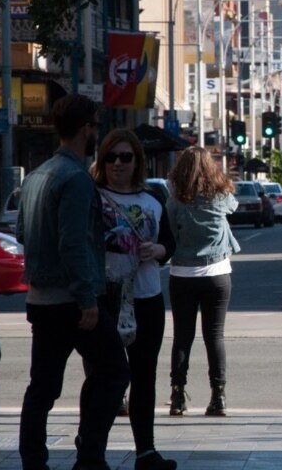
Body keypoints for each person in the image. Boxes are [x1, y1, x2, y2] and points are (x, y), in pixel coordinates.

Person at [17, 95, 130, 470]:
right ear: (87, 129)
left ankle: (34, 460)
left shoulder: (36, 176)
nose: (97, 133)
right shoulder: (75, 178)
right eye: (96, 126)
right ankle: (91, 455)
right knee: (115, 370)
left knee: (43, 387)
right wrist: (87, 299)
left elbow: (22, 232)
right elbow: (73, 242)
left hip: (41, 298)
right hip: (71, 299)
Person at [91, 129, 178, 470]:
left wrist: (158, 250)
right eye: (111, 156)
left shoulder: (153, 197)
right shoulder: (93, 196)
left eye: (125, 157)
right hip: (107, 298)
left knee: (144, 374)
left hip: (146, 296)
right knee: (104, 375)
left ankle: (146, 451)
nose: (117, 163)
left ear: (137, 161)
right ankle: (92, 449)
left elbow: (169, 243)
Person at [166, 147, 240, 417]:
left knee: (182, 337)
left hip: (182, 275)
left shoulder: (174, 200)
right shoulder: (220, 197)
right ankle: (218, 395)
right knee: (214, 336)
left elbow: (170, 234)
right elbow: (234, 205)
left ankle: (177, 395)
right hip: (217, 274)